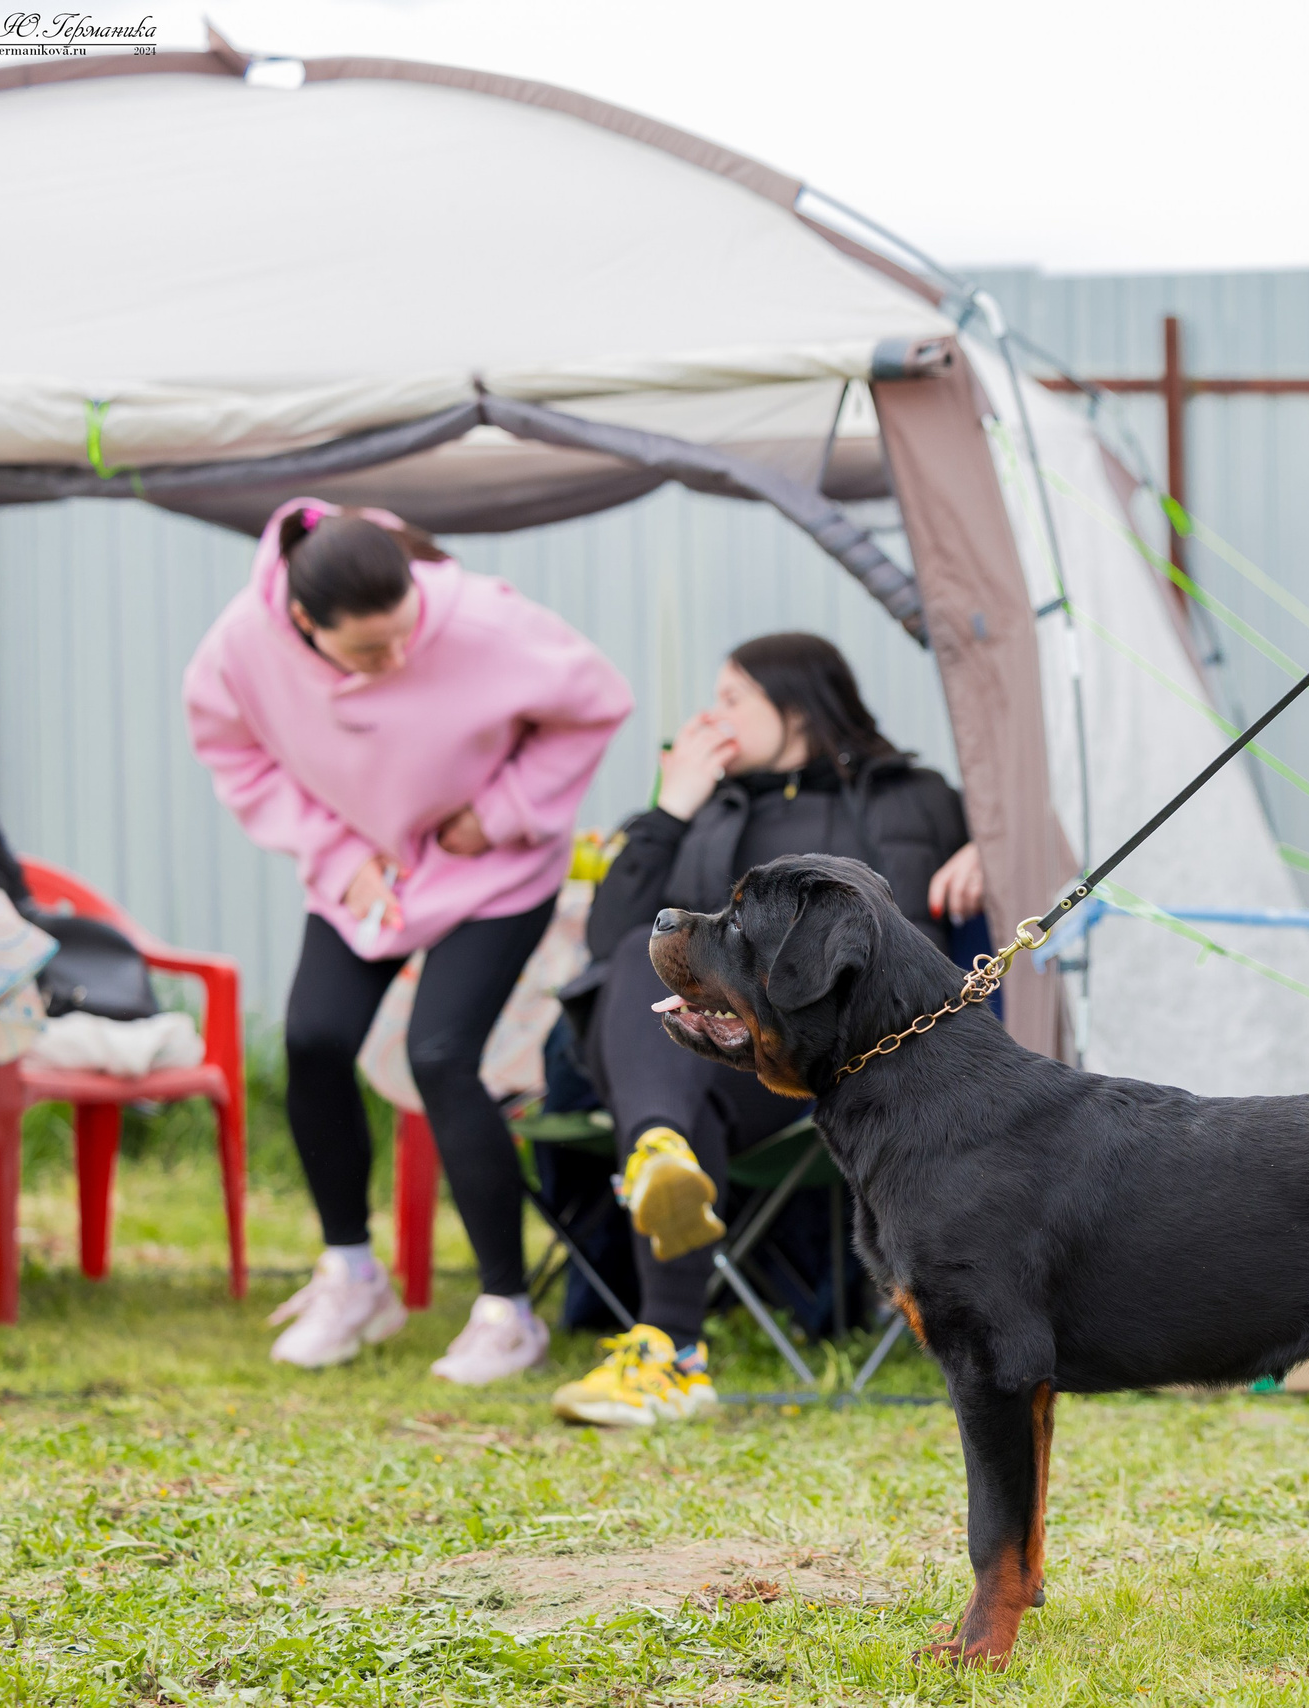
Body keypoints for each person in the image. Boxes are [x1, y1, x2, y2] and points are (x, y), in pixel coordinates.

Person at [186, 500, 631, 1378]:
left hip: (491, 870)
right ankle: (353, 1276)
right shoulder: (241, 645)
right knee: (314, 1040)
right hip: (369, 870)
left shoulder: (482, 617)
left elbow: (597, 702)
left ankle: (508, 1312)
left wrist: (498, 815)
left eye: (404, 635)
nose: (395, 660)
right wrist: (336, 852)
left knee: (440, 1055)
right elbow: (234, 752)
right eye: (368, 652)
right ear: (305, 623)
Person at [547, 631, 983, 1427]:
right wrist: (671, 806)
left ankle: (671, 1336)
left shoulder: (915, 797)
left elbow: (1025, 849)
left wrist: (987, 851)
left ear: (796, 707)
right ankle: (661, 1173)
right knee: (639, 982)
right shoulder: (710, 800)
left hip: (865, 1062)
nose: (710, 718)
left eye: (732, 699)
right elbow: (611, 933)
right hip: (727, 1061)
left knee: (669, 1063)